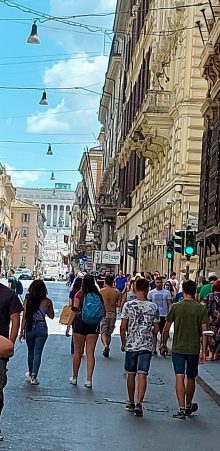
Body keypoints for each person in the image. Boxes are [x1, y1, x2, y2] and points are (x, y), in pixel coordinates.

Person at [161, 280, 208, 419]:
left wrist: (163, 345)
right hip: (193, 348)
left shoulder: (176, 307)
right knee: (191, 377)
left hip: (178, 347)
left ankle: (181, 408)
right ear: (195, 292)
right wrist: (204, 351)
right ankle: (188, 405)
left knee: (179, 376)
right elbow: (205, 332)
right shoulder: (201, 309)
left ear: (184, 291)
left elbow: (166, 329)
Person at [120, 278, 159, 417]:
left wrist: (123, 343)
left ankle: (130, 402)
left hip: (131, 345)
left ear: (135, 288)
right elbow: (155, 329)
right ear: (148, 289)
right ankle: (139, 403)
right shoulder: (153, 307)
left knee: (131, 374)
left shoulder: (128, 306)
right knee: (143, 374)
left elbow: (123, 327)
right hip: (146, 346)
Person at [66, 274, 104, 388]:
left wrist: (68, 325)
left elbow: (74, 310)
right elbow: (104, 312)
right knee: (90, 353)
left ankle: (75, 377)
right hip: (93, 326)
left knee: (78, 352)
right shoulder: (98, 295)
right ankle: (89, 380)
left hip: (80, 324)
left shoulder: (79, 294)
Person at [19, 280, 54, 385]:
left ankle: (30, 373)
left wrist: (22, 331)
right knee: (38, 352)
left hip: (30, 326)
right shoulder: (47, 301)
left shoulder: (27, 299)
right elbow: (52, 316)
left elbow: (25, 316)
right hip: (42, 326)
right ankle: (34, 376)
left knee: (31, 352)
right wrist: (46, 309)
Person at [0, 282, 23, 441]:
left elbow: (15, 321)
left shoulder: (9, 295)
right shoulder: (9, 294)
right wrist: (11, 343)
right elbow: (15, 321)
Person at [148, 277, 172, 355]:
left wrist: (169, 314)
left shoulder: (167, 293)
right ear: (155, 283)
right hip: (154, 315)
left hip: (164, 315)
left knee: (163, 332)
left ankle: (162, 346)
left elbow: (169, 304)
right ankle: (153, 348)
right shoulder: (151, 293)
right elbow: (149, 304)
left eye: (160, 282)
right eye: (158, 282)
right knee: (154, 332)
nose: (159, 284)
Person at [100, 274, 121, 357]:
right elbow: (118, 304)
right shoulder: (117, 292)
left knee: (103, 333)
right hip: (113, 313)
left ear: (105, 281)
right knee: (109, 333)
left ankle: (105, 346)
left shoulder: (101, 291)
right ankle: (107, 347)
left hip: (104, 313)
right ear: (113, 282)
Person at [203, 280, 220, 361]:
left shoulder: (210, 296)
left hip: (211, 319)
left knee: (211, 336)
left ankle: (210, 354)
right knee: (218, 337)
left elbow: (203, 307)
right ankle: (216, 354)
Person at [69, 277, 83, 354]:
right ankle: (81, 348)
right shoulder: (84, 293)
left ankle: (73, 349)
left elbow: (70, 304)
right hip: (83, 314)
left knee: (75, 331)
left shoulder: (73, 292)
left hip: (75, 314)